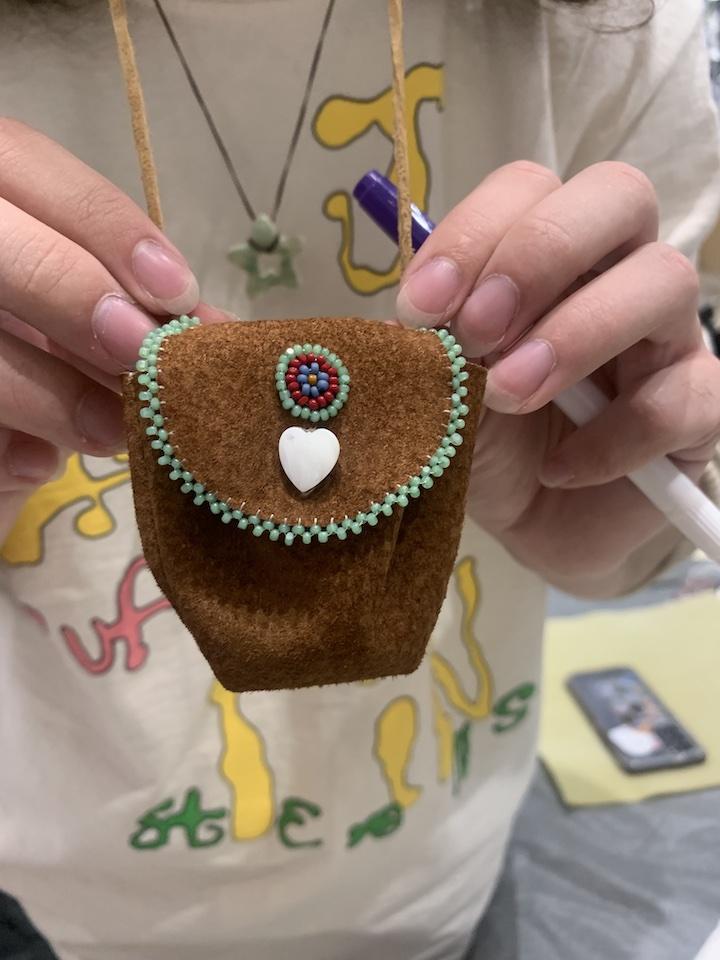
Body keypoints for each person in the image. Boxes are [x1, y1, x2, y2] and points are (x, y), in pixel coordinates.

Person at [1, 0, 719, 958]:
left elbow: (648, 528)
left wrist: (599, 517)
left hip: (451, 885)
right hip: (54, 908)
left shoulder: (608, 27)